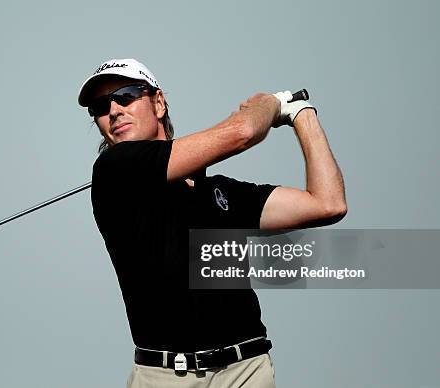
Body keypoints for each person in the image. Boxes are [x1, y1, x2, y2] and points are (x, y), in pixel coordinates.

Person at [78, 58, 346, 388]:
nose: (114, 110)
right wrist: (271, 105)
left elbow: (328, 203)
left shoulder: (219, 192)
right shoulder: (114, 170)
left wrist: (303, 114)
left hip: (246, 369)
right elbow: (243, 131)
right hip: (164, 376)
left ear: (158, 103)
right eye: (100, 106)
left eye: (126, 96)